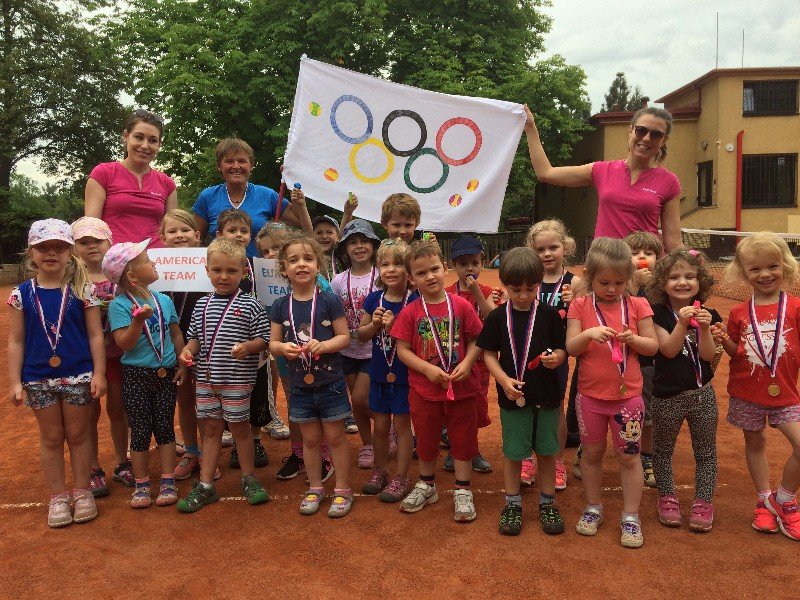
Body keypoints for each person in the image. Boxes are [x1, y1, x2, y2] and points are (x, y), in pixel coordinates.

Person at [8, 219, 106, 527]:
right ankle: (58, 497)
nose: (51, 253)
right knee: (51, 437)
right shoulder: (21, 294)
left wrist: (99, 373)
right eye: (43, 248)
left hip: (79, 375)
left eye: (59, 248)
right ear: (31, 252)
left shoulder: (83, 290)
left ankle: (83, 492)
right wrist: (15, 381)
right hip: (38, 377)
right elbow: (16, 340)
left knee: (78, 435)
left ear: (69, 253)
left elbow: (96, 335)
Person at [566, 237, 658, 548]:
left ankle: (630, 516)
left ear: (629, 278)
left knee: (629, 457)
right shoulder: (580, 306)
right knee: (591, 454)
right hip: (590, 398)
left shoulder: (638, 305)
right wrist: (589, 334)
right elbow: (571, 347)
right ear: (589, 276)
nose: (612, 289)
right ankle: (593, 507)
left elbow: (652, 346)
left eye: (619, 282)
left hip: (628, 398)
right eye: (604, 282)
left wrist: (634, 339)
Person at [477, 247, 567, 536]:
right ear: (505, 285)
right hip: (512, 396)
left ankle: (547, 502)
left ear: (539, 284)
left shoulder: (550, 315)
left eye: (531, 288)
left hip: (547, 396)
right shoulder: (496, 317)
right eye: (516, 290)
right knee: (514, 453)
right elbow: (488, 354)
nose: (524, 295)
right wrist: (504, 380)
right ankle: (513, 503)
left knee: (547, 451)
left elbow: (563, 348)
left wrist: (558, 358)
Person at [716, 233, 800, 541]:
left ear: (785, 265)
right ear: (744, 272)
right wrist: (724, 340)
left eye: (772, 266)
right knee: (755, 443)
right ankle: (764, 500)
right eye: (755, 269)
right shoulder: (739, 312)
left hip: (786, 393)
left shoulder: (796, 307)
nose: (765, 274)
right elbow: (737, 352)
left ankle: (784, 500)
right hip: (746, 393)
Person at [176, 239, 271, 512]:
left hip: (237, 381)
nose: (224, 276)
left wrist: (248, 347)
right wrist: (187, 351)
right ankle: (206, 485)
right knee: (211, 430)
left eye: (231, 270)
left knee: (241, 429)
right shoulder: (202, 305)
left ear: (244, 271)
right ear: (207, 270)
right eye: (217, 270)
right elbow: (195, 338)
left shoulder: (251, 304)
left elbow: (264, 339)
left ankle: (249, 478)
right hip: (206, 380)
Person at [393, 239, 483, 522]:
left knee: (463, 438)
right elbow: (402, 350)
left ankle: (463, 489)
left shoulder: (462, 305)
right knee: (427, 438)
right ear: (411, 279)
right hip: (425, 390)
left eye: (434, 269)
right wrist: (426, 370)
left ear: (444, 268)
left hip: (462, 388)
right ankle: (427, 484)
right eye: (421, 273)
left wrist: (467, 363)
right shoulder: (410, 311)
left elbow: (478, 339)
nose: (429, 276)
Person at [269, 233, 354, 518]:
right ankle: (315, 487)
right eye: (293, 260)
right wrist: (283, 348)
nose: (301, 264)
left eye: (308, 258)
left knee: (336, 437)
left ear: (318, 265)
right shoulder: (280, 305)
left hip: (330, 384)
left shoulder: (329, 300)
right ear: (284, 269)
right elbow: (273, 344)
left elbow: (344, 337)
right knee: (310, 440)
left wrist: (324, 345)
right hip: (300, 386)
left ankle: (342, 488)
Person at [523, 104, 682, 252]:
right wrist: (530, 128)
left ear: (664, 140)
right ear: (630, 130)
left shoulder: (669, 182)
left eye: (656, 134)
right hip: (605, 263)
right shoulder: (602, 170)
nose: (646, 138)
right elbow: (545, 173)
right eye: (641, 130)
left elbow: (673, 243)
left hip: (644, 266)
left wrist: (691, 262)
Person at [104, 239, 187, 508]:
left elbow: (175, 333)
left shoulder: (164, 300)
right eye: (147, 261)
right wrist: (138, 321)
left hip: (166, 374)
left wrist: (182, 363)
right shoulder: (119, 306)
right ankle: (141, 486)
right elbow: (123, 344)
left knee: (165, 428)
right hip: (136, 376)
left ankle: (167, 481)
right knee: (139, 431)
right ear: (132, 275)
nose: (153, 263)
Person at [647, 249, 721, 532]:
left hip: (703, 395)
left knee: (706, 452)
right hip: (667, 397)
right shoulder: (656, 314)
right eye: (674, 277)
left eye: (690, 276)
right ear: (662, 283)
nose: (682, 282)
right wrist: (681, 323)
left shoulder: (708, 314)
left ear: (700, 282)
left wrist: (704, 328)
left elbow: (707, 356)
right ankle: (667, 497)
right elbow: (668, 350)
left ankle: (703, 501)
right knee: (663, 451)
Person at [256, 223, 336, 483]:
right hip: (288, 358)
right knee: (295, 406)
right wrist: (279, 347)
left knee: (320, 409)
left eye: (276, 247)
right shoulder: (260, 281)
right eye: (265, 251)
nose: (270, 254)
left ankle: (324, 455)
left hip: (320, 361)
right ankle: (299, 453)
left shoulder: (319, 283)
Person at [70, 217, 130, 496]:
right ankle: (93, 467)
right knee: (89, 413)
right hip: (84, 358)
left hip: (117, 355)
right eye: (83, 242)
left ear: (110, 242)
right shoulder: (71, 281)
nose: (91, 246)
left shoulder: (121, 279)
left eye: (97, 240)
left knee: (118, 408)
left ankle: (122, 462)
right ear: (75, 247)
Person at [524, 219, 582, 490]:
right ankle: (526, 458)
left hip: (558, 356)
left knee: (555, 408)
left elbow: (585, 318)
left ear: (565, 248)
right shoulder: (528, 280)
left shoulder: (575, 283)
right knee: (525, 407)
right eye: (540, 249)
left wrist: (576, 304)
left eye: (553, 247)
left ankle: (557, 461)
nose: (547, 254)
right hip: (526, 354)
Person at [358, 239, 417, 502]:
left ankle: (401, 477)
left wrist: (394, 327)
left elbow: (418, 341)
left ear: (408, 270)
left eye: (398, 264)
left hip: (405, 376)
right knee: (380, 426)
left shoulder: (415, 301)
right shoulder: (374, 299)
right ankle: (380, 471)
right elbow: (361, 335)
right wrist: (374, 325)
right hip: (379, 374)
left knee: (402, 427)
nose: (391, 269)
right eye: (385, 264)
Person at [157, 210, 214, 481]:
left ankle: (208, 454)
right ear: (162, 238)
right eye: (172, 231)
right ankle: (191, 451)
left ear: (197, 235)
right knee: (184, 399)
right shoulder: (156, 268)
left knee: (205, 400)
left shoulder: (209, 264)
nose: (179, 235)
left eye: (185, 230)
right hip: (172, 344)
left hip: (206, 341)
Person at [192, 138, 312, 257]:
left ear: (251, 165)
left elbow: (303, 225)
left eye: (242, 161)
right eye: (229, 161)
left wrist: (293, 184)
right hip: (221, 268)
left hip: (261, 268)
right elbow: (195, 240)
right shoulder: (207, 197)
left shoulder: (267, 195)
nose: (236, 166)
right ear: (219, 166)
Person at [214, 208, 270, 466]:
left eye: (244, 231)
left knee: (257, 392)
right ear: (219, 234)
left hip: (255, 341)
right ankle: (237, 441)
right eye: (232, 230)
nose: (239, 235)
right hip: (224, 344)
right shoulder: (217, 267)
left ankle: (255, 441)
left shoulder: (260, 266)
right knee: (229, 393)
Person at [444, 235, 498, 474]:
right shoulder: (446, 293)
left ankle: (472, 450)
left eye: (474, 263)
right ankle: (453, 449)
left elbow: (492, 319)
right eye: (463, 263)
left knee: (475, 405)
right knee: (453, 405)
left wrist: (477, 293)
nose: (469, 268)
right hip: (453, 360)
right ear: (453, 266)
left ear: (482, 263)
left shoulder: (488, 291)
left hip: (481, 362)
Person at [84, 109, 177, 247]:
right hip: (113, 257)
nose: (145, 145)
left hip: (155, 258)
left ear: (159, 145)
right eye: (139, 137)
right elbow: (91, 229)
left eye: (152, 140)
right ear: (126, 136)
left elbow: (174, 231)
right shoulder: (103, 174)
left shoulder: (167, 184)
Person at [331, 219, 381, 468]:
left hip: (376, 349)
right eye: (353, 242)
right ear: (345, 249)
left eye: (364, 241)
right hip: (348, 349)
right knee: (356, 402)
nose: (359, 246)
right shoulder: (338, 280)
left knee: (361, 399)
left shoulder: (382, 276)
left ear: (373, 245)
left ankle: (387, 429)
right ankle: (368, 444)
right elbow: (333, 312)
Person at [624, 231, 663, 488]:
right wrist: (634, 283)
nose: (642, 257)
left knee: (647, 413)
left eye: (648, 253)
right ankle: (589, 448)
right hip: (623, 358)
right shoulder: (620, 284)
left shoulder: (661, 287)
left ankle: (646, 456)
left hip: (650, 361)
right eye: (635, 253)